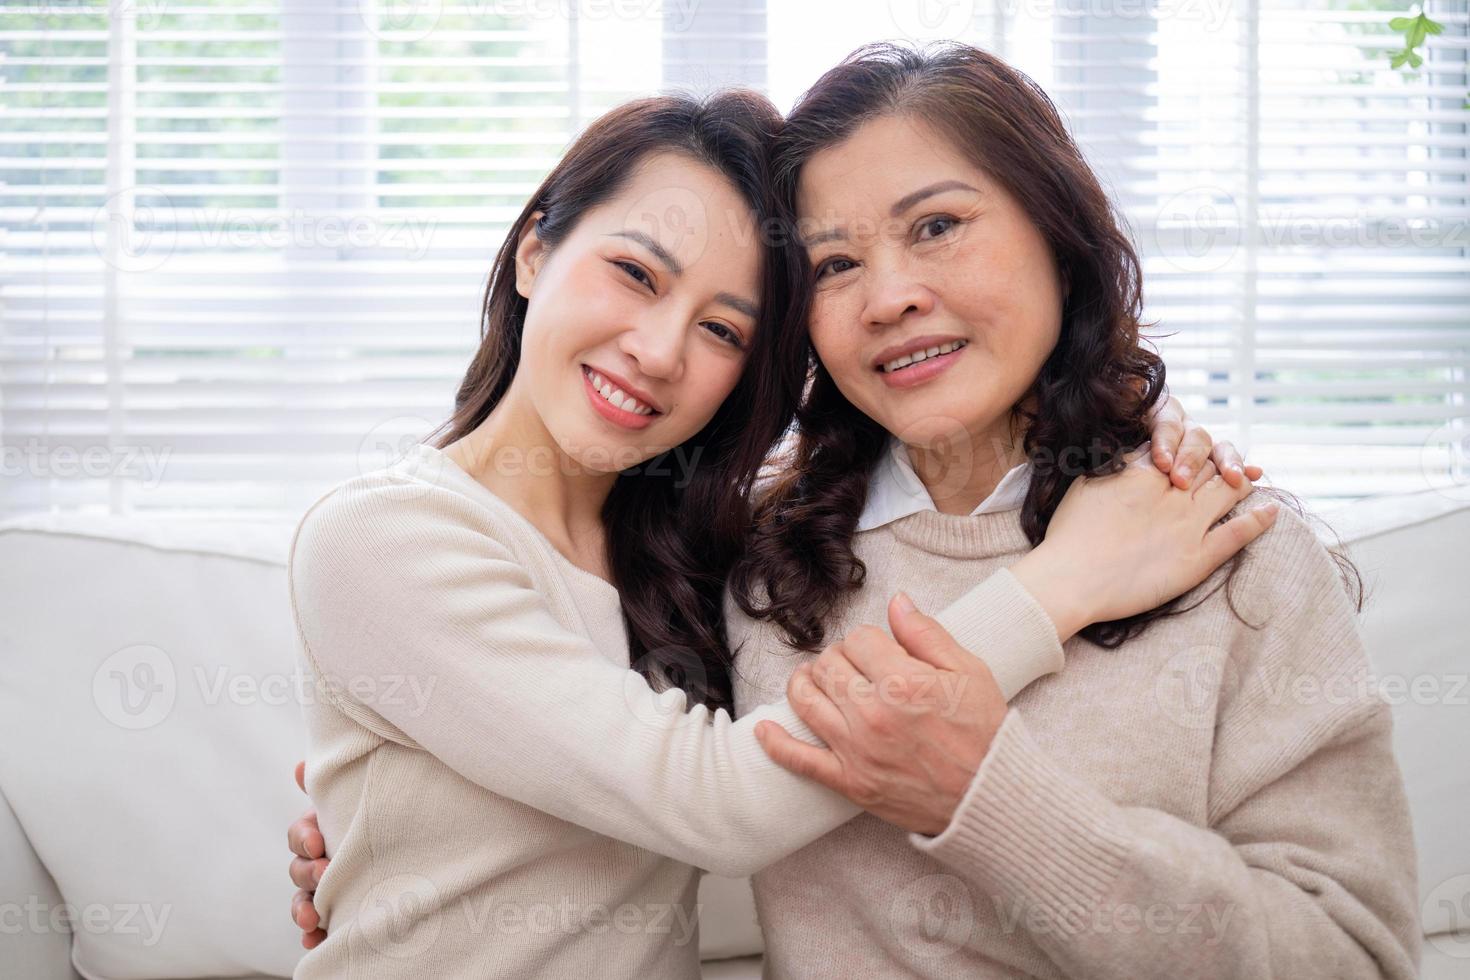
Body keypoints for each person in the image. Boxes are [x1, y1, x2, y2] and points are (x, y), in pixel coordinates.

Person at [284, 87, 1268, 978]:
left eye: (724, 329)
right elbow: (715, 798)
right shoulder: (384, 535)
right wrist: (1068, 582)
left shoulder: (697, 554)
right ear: (536, 249)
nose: (660, 350)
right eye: (634, 272)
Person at [732, 41, 1422, 979]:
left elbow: (1354, 957)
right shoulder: (758, 577)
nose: (891, 297)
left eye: (937, 226)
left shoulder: (1228, 547)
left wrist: (989, 800)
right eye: (835, 264)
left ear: (1060, 237)